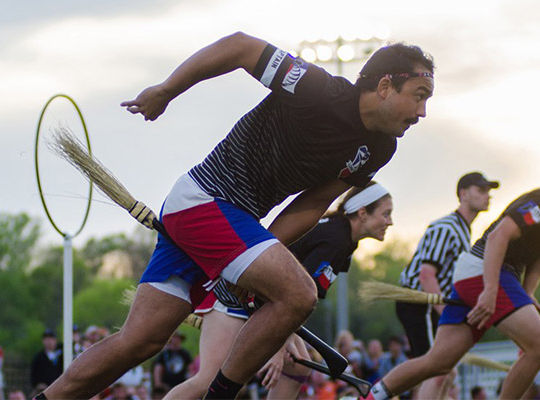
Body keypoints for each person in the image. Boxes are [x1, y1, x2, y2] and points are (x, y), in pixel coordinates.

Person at [40, 31, 434, 400]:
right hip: (204, 201)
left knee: (140, 340)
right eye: (418, 95)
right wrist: (166, 90)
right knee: (298, 294)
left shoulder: (380, 149)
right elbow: (241, 47)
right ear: (385, 87)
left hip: (229, 221)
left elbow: (311, 205)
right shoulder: (317, 88)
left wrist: (258, 264)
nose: (423, 112)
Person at [370, 143, 540, 399]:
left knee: (439, 363)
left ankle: (372, 395)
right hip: (484, 271)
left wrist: (529, 292)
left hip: (489, 274)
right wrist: (490, 289)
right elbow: (497, 237)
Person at [165, 182, 395, 399]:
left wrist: (279, 342)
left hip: (264, 304)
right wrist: (275, 347)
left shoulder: (343, 242)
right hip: (235, 298)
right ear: (363, 213)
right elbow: (294, 296)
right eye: (385, 214)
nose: (390, 221)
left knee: (297, 367)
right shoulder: (336, 239)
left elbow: (299, 300)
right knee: (208, 379)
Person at [396, 171, 498, 399]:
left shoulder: (462, 229)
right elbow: (426, 276)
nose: (487, 196)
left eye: (488, 192)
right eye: (481, 190)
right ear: (463, 194)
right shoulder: (447, 228)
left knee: (441, 372)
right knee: (437, 371)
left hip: (429, 304)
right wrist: (446, 314)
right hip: (419, 302)